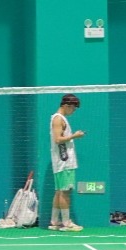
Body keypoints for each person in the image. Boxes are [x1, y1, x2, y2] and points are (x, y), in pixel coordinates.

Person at [48, 94, 85, 231]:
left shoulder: (58, 118)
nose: (73, 111)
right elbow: (58, 139)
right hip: (64, 162)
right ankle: (66, 223)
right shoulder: (58, 119)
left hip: (61, 162)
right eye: (73, 108)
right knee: (65, 192)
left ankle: (54, 222)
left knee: (59, 191)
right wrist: (75, 136)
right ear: (66, 105)